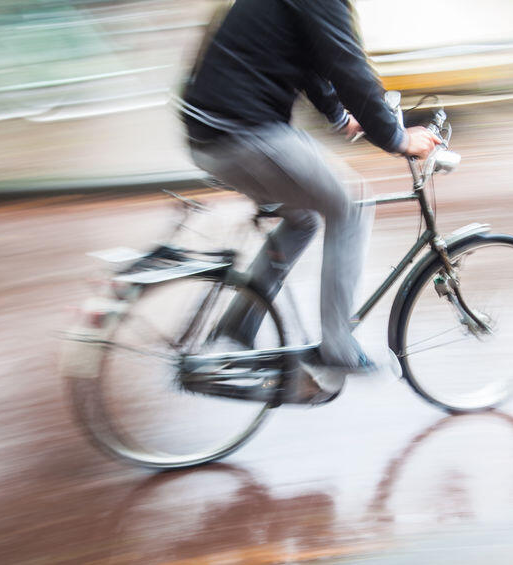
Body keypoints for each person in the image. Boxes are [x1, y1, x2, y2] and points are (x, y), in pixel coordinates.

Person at [175, 0, 440, 400]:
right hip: (242, 131)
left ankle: (236, 327)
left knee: (304, 219)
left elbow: (314, 56)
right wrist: (398, 138)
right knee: (349, 208)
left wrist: (340, 117)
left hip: (211, 132)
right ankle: (338, 348)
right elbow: (347, 64)